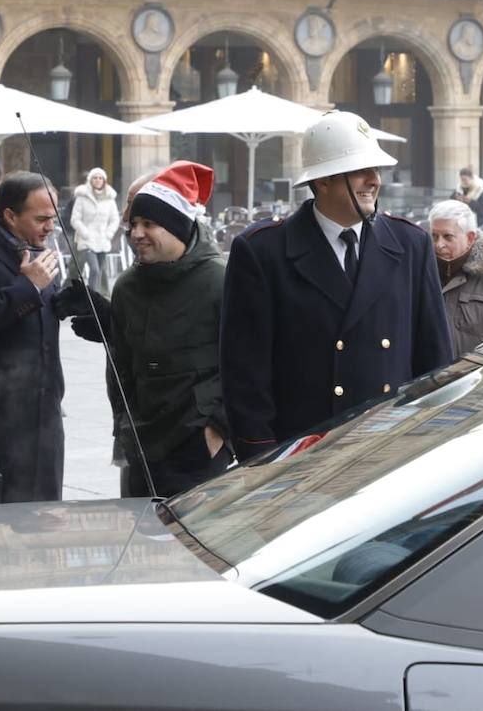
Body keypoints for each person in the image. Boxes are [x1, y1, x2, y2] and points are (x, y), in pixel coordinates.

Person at [220, 110, 453, 460]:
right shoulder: (263, 252)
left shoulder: (410, 244)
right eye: (360, 170)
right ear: (323, 181)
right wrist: (261, 462)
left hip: (388, 453)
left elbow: (435, 361)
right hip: (302, 459)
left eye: (376, 170)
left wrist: (429, 445)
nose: (374, 180)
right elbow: (244, 374)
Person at [109, 162, 231, 497]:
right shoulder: (126, 286)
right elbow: (119, 367)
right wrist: (124, 425)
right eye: (133, 223)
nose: (136, 233)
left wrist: (219, 430)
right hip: (141, 445)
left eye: (149, 223)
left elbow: (249, 361)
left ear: (177, 226)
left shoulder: (220, 280)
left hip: (199, 447)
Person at [0, 171, 67, 503]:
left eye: (55, 217)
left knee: (46, 513)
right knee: (2, 517)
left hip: (45, 407)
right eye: (42, 218)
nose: (51, 226)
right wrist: (27, 287)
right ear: (10, 216)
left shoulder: (40, 247)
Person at [428, 199, 483, 354]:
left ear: (470, 238)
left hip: (476, 377)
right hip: (425, 377)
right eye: (434, 236)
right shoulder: (418, 276)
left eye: (447, 237)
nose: (438, 244)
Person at [71, 167, 121, 295]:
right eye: (95, 177)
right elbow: (75, 219)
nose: (98, 180)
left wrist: (108, 234)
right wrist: (85, 233)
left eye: (100, 178)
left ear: (104, 180)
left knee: (101, 269)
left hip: (103, 240)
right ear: (90, 180)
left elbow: (115, 219)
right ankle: (93, 298)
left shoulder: (110, 198)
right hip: (86, 240)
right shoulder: (82, 197)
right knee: (94, 270)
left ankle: (101, 295)